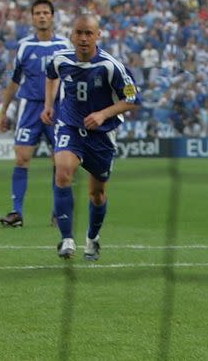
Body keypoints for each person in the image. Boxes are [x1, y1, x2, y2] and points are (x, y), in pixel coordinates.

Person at [41, 14, 141, 260]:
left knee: (97, 194)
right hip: (70, 126)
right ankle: (66, 240)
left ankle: (92, 238)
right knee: (63, 172)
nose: (84, 38)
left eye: (89, 33)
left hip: (101, 135)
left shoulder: (111, 66)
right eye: (79, 33)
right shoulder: (60, 59)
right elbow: (51, 75)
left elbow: (133, 100)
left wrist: (103, 114)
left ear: (98, 36)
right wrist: (49, 104)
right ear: (72, 36)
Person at [0, 0, 70, 227]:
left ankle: (59, 212)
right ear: (32, 18)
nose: (41, 16)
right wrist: (3, 111)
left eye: (45, 13)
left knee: (60, 162)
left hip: (58, 109)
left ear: (52, 16)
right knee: (21, 158)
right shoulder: (25, 46)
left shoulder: (65, 45)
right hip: (30, 107)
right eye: (37, 13)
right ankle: (16, 212)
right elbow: (14, 81)